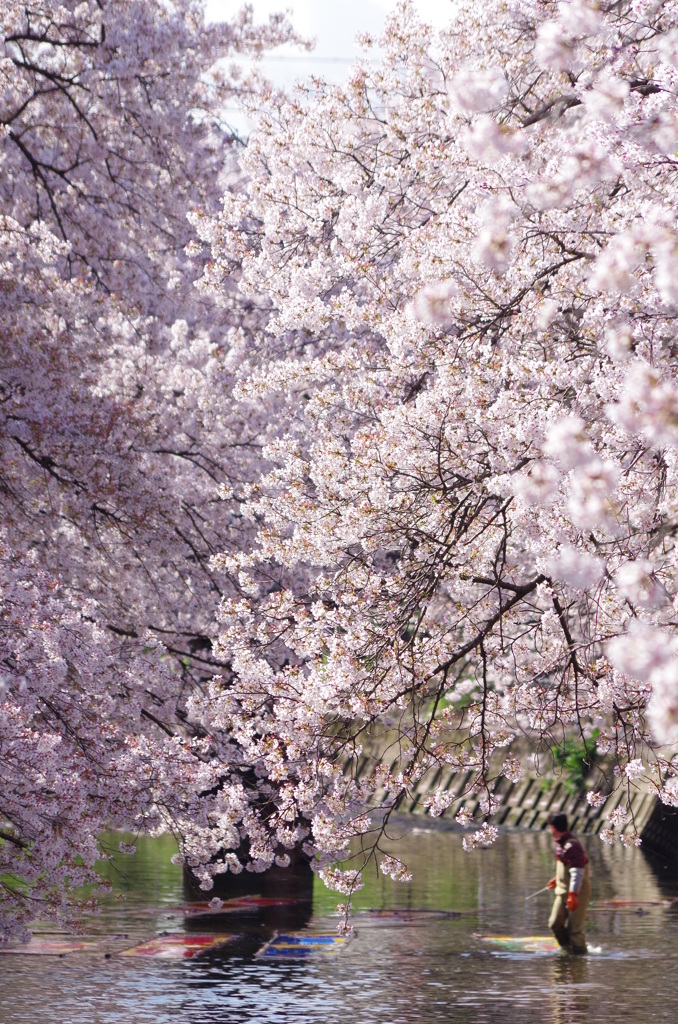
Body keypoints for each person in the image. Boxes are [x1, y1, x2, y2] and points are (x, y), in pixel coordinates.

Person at [546, 812, 591, 954]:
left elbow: (577, 872)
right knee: (555, 924)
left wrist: (573, 894)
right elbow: (567, 868)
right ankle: (568, 952)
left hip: (577, 893)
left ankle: (580, 959)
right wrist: (557, 879)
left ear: (553, 828)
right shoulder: (561, 843)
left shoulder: (572, 845)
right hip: (563, 891)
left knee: (574, 931)